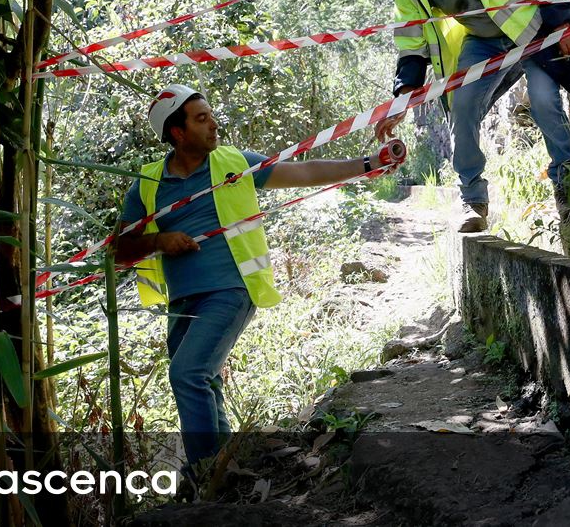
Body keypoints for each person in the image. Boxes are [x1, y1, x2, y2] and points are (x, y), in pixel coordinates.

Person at [114, 83, 395, 480]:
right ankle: (223, 471)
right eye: (201, 118)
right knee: (204, 381)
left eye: (210, 115)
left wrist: (369, 163)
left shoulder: (233, 162)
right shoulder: (146, 183)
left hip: (231, 290)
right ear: (177, 133)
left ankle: (203, 476)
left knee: (187, 374)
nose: (214, 124)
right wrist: (159, 240)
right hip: (181, 300)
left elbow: (306, 171)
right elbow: (121, 250)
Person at [361, 0, 570, 233]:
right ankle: (473, 200)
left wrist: (564, 22)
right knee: (462, 105)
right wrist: (403, 96)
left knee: (545, 102)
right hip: (482, 41)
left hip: (531, 29)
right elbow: (412, 42)